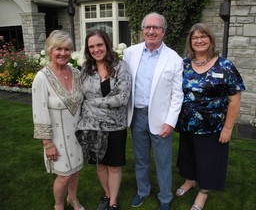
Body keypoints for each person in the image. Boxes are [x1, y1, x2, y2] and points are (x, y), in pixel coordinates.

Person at [175, 23, 246, 210]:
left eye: (203, 36)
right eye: (195, 37)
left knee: (208, 161)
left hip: (212, 127)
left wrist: (228, 128)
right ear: (190, 41)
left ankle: (203, 192)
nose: (199, 40)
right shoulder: (183, 64)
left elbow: (235, 100)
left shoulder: (225, 66)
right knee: (188, 157)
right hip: (187, 124)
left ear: (210, 39)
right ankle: (189, 181)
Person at [123, 12, 183, 210]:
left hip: (161, 118)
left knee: (163, 161)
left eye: (156, 28)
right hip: (137, 115)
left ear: (163, 31)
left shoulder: (173, 58)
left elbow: (177, 95)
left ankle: (165, 198)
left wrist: (170, 122)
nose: (151, 31)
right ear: (142, 30)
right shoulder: (130, 53)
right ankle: (143, 191)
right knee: (141, 159)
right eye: (147, 27)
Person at [75, 30, 131, 210]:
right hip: (92, 126)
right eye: (91, 46)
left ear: (106, 44)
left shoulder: (121, 67)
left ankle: (113, 201)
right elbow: (79, 96)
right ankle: (106, 194)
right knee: (100, 165)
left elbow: (121, 98)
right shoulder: (85, 69)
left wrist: (91, 103)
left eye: (99, 45)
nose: (96, 49)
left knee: (114, 166)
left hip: (115, 126)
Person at [32, 30, 84, 210]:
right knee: (64, 176)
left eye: (67, 49)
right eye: (58, 49)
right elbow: (39, 112)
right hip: (57, 137)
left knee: (76, 169)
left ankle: (73, 199)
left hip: (77, 134)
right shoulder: (42, 78)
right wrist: (48, 144)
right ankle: (59, 205)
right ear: (49, 51)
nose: (63, 53)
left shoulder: (77, 73)